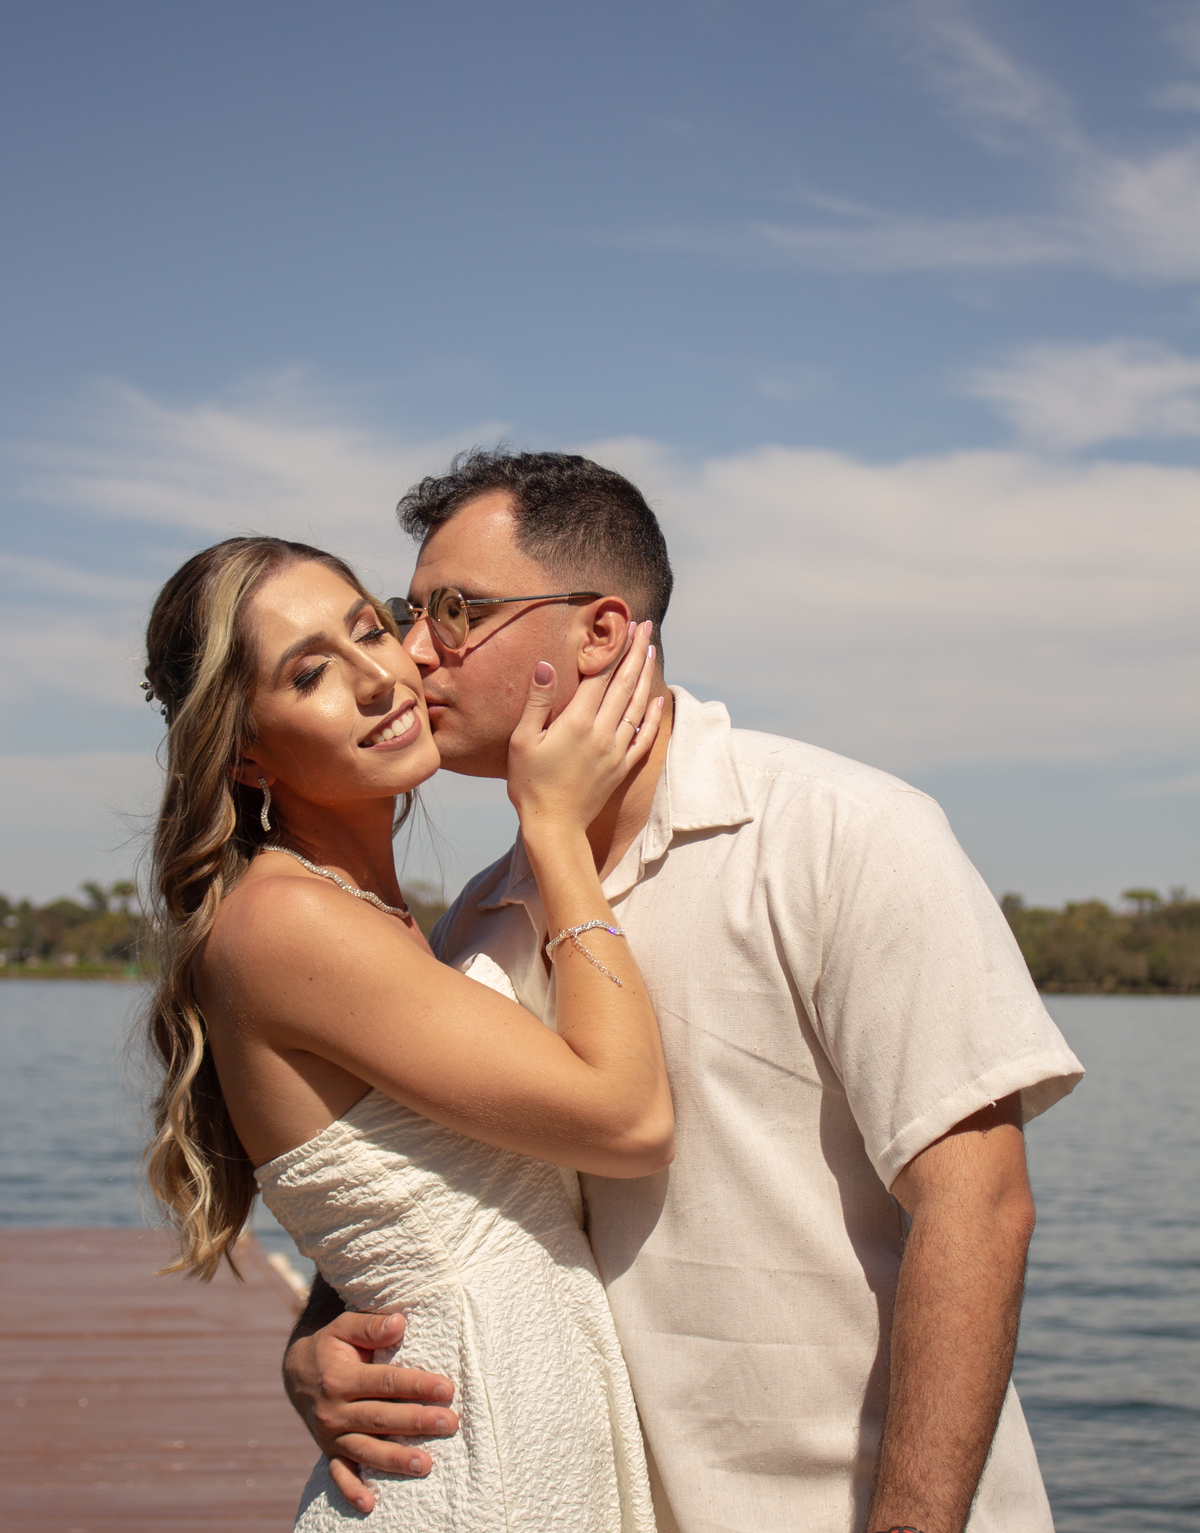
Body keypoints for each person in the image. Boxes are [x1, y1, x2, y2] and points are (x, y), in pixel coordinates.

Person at [283, 451, 1085, 1533]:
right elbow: (427, 1189)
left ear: (601, 632)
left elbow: (978, 1207)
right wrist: (316, 1347)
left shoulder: (841, 833)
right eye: (409, 611)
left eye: (457, 612)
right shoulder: (480, 916)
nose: (415, 652)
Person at [139, 533, 674, 1531]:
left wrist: (315, 1334)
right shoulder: (285, 921)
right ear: (245, 751)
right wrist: (556, 832)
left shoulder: (382, 922)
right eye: (310, 673)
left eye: (371, 630)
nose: (379, 678)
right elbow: (630, 1116)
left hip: (507, 1417)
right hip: (473, 1452)